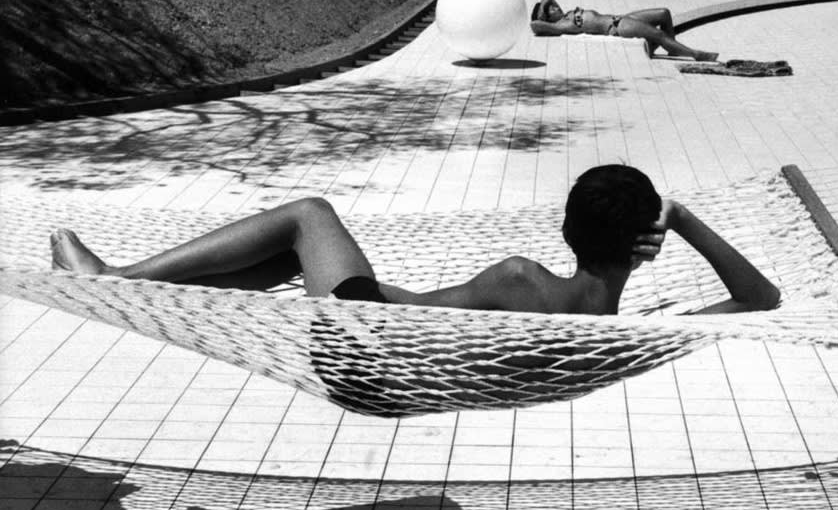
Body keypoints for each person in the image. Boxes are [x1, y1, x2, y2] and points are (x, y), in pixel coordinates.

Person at [49, 165, 780, 317]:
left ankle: (113, 281)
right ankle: (129, 292)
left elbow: (413, 317)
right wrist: (679, 220)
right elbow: (759, 298)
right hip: (393, 356)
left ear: (568, 230)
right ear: (641, 244)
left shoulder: (525, 280)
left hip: (371, 347)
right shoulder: (618, 332)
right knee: (280, 261)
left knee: (308, 214)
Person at [530, 0, 719, 62]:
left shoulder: (565, 15)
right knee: (658, 34)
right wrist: (542, 16)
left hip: (620, 17)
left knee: (664, 13)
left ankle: (672, 48)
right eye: (551, 9)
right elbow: (535, 25)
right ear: (547, 17)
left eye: (553, 6)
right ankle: (694, 54)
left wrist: (543, 4)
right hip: (617, 26)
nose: (555, 6)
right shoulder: (561, 25)